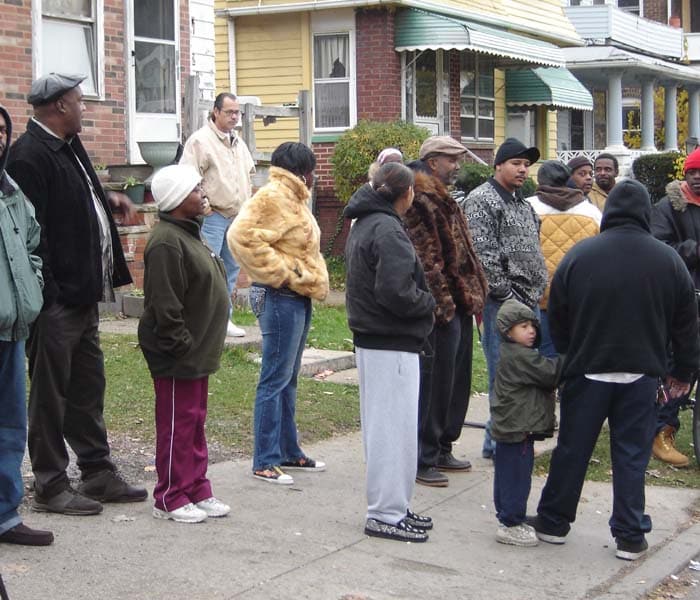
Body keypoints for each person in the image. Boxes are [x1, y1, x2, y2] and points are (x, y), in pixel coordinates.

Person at [530, 179, 700, 561]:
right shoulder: (668, 260)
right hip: (641, 372)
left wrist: (572, 353)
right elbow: (685, 324)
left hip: (587, 368)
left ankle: (554, 521)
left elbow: (557, 313)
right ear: (644, 213)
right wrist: (685, 371)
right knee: (631, 454)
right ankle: (629, 534)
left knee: (573, 448)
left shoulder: (580, 255)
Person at [6, 73, 147, 515]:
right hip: (56, 302)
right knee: (50, 393)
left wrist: (108, 200)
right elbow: (29, 233)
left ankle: (98, 472)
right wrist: (49, 295)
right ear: (59, 107)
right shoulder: (28, 156)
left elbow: (75, 195)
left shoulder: (67, 145)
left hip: (83, 295)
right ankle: (50, 483)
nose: (85, 108)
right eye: (80, 102)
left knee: (88, 386)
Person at [228, 142, 329, 485]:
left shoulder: (295, 198)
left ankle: (288, 450)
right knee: (273, 379)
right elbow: (240, 235)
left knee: (288, 378)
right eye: (312, 170)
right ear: (303, 171)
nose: (315, 177)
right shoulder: (273, 196)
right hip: (279, 296)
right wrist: (284, 273)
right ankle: (264, 460)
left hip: (296, 297)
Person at [345, 162, 436, 542]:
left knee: (389, 429)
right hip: (390, 341)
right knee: (391, 431)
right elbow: (396, 291)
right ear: (406, 194)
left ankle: (395, 506)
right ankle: (385, 512)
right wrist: (427, 302)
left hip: (377, 339)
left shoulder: (366, 221)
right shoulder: (386, 229)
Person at [138, 164, 231, 523]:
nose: (203, 193)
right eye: (195, 189)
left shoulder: (190, 233)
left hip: (198, 353)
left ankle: (196, 488)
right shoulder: (166, 242)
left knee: (194, 422)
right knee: (177, 425)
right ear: (177, 200)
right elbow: (165, 304)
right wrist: (182, 346)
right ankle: (170, 496)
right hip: (178, 354)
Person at [404, 136, 488, 488]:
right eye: (452, 159)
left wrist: (473, 292)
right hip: (441, 306)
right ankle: (423, 454)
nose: (457, 165)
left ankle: (441, 445)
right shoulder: (419, 198)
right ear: (433, 160)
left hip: (460, 301)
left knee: (455, 380)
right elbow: (426, 259)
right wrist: (442, 305)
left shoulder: (442, 195)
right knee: (434, 383)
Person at [460, 138, 546, 460]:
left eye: (526, 164)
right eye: (516, 163)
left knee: (521, 373)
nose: (523, 169)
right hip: (504, 305)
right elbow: (483, 253)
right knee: (505, 373)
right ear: (498, 165)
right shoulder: (482, 200)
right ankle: (500, 444)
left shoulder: (522, 204)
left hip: (529, 301)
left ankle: (499, 440)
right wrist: (506, 295)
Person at [0, 106, 53, 546]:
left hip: (14, 329)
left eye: (2, 131)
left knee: (11, 427)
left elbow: (32, 242)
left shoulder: (11, 190)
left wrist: (31, 289)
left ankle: (5, 515)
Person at [180, 92, 255, 338]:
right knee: (206, 271)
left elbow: (249, 174)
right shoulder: (199, 141)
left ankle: (224, 319)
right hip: (212, 218)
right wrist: (205, 209)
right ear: (215, 112)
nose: (234, 117)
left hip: (236, 218)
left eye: (237, 112)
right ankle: (202, 322)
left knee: (230, 271)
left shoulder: (239, 143)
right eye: (229, 112)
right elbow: (188, 178)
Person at [491, 299, 562, 547]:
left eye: (532, 325)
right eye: (523, 326)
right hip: (517, 427)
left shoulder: (514, 352)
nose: (531, 331)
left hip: (512, 426)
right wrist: (569, 358)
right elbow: (550, 373)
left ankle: (507, 516)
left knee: (507, 473)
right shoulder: (519, 356)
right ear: (507, 331)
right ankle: (511, 522)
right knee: (517, 477)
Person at [650, 147, 700, 467]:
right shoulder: (668, 207)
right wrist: (694, 249)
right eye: (693, 172)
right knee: (677, 367)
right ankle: (662, 430)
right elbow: (658, 249)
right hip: (682, 302)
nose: (698, 179)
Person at [526, 160, 601, 358]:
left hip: (538, 296)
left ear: (540, 181)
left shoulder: (527, 208)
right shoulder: (591, 212)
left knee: (544, 359)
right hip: (579, 296)